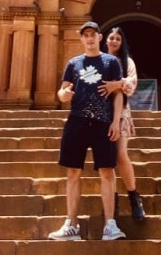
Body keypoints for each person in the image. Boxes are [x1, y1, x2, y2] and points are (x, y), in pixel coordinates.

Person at [48, 21, 126, 241]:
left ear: (100, 37)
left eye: (93, 34)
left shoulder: (111, 62)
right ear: (81, 38)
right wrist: (62, 95)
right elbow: (63, 90)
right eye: (86, 35)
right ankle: (71, 225)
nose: (90, 38)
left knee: (107, 171)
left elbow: (118, 93)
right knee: (73, 172)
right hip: (77, 121)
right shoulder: (73, 63)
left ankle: (110, 225)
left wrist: (116, 121)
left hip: (103, 122)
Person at [99, 27, 146, 221]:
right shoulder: (99, 60)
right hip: (100, 112)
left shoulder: (127, 62)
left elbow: (130, 84)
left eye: (118, 38)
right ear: (106, 40)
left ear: (122, 42)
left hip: (122, 112)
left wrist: (115, 84)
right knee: (105, 158)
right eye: (111, 37)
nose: (114, 41)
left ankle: (134, 196)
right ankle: (112, 199)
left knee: (120, 153)